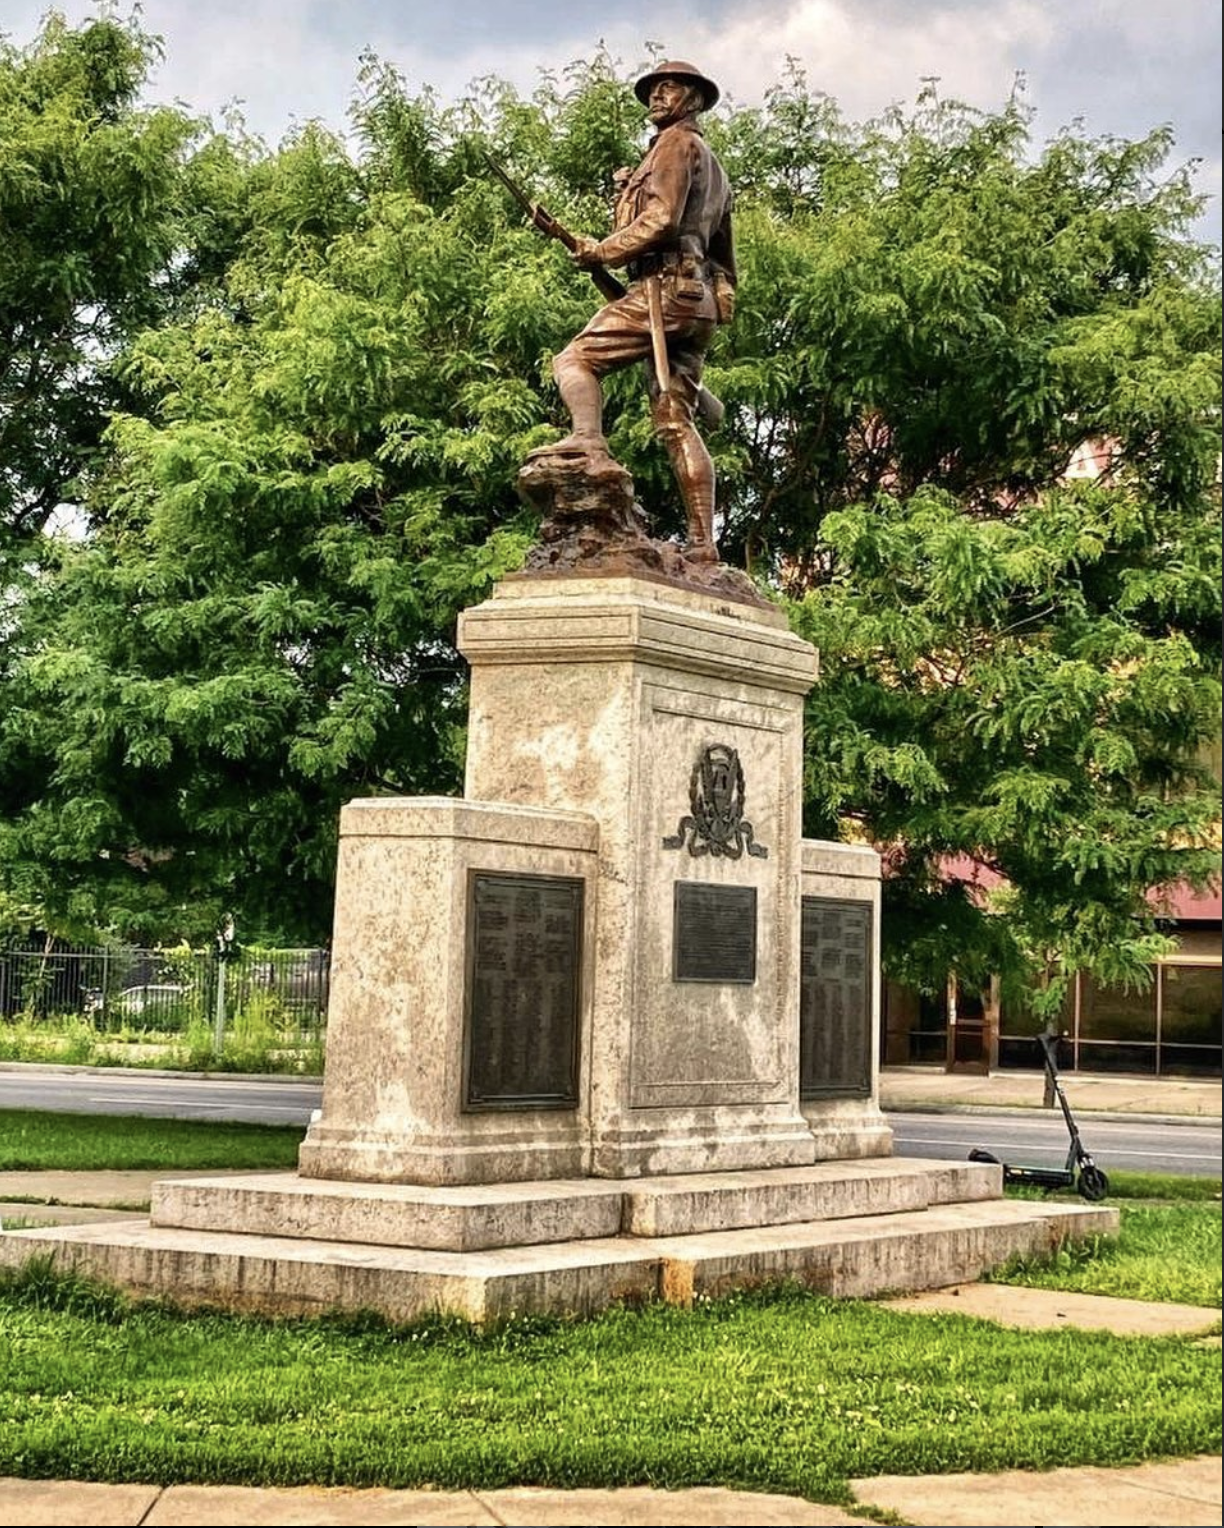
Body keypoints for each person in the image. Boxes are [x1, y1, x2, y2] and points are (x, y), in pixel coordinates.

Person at [551, 60, 736, 565]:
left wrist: (602, 251)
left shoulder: (677, 145)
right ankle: (703, 545)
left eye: (669, 88)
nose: (657, 96)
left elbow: (660, 221)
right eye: (653, 89)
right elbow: (723, 258)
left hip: (667, 291)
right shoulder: (713, 166)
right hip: (696, 300)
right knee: (676, 421)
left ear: (692, 99)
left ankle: (586, 443)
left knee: (575, 360)